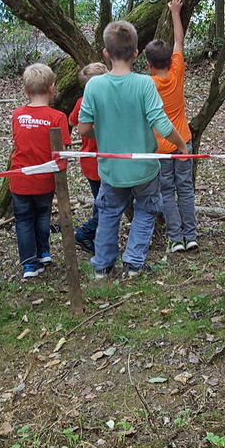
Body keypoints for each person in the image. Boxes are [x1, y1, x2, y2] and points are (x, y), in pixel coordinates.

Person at [77, 20, 189, 278]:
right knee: (146, 211)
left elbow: (83, 128)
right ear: (136, 53)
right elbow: (162, 124)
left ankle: (103, 266)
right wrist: (182, 145)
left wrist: (103, 134)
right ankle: (133, 263)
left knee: (108, 213)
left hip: (113, 168)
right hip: (143, 167)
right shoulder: (144, 84)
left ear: (106, 53)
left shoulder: (94, 85)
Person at [145, 0, 198, 253]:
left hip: (162, 147)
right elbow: (179, 41)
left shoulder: (148, 85)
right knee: (185, 189)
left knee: (167, 191)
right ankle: (191, 236)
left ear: (149, 65)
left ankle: (176, 239)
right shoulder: (177, 71)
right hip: (183, 141)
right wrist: (175, 12)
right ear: (169, 60)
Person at [8, 63, 71, 280]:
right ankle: (43, 252)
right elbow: (62, 148)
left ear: (25, 89)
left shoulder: (18, 114)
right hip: (45, 178)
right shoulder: (58, 117)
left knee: (24, 220)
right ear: (52, 88)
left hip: (20, 177)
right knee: (43, 214)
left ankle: (30, 262)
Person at [68, 61, 110, 256]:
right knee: (107, 205)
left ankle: (94, 237)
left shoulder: (82, 102)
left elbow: (72, 121)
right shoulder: (106, 102)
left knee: (101, 202)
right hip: (100, 163)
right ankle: (84, 233)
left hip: (91, 162)